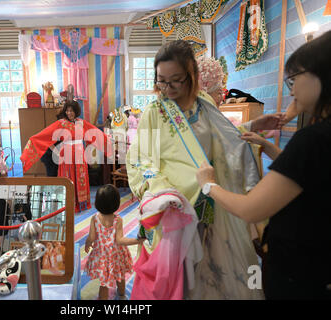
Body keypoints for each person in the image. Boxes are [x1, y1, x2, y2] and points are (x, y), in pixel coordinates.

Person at [196, 30, 331, 300]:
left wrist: (209, 185)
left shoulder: (311, 139)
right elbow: (307, 172)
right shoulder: (317, 137)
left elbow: (250, 208)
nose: (291, 89)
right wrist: (263, 139)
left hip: (298, 270)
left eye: (294, 78)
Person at [126, 40, 264, 299]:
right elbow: (140, 159)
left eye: (175, 80)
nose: (167, 88)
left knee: (206, 268)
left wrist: (253, 126)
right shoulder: (154, 112)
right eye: (161, 81)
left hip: (207, 199)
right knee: (178, 274)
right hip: (173, 206)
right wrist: (160, 190)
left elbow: (226, 138)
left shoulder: (204, 103)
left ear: (192, 76)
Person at [20, 100, 112, 213]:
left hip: (79, 156)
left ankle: (81, 203)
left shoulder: (82, 123)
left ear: (76, 111)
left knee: (80, 178)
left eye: (71, 110)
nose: (69, 113)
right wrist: (57, 153)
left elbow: (95, 133)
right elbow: (46, 136)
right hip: (66, 156)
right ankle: (67, 205)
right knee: (68, 179)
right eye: (67, 110)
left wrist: (108, 140)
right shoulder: (60, 123)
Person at [84, 184, 145, 300]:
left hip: (102, 255)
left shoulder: (95, 218)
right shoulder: (118, 220)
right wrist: (137, 241)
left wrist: (87, 244)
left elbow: (91, 237)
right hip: (116, 255)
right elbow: (120, 240)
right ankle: (122, 295)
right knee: (120, 276)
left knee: (104, 283)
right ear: (116, 203)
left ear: (97, 202)